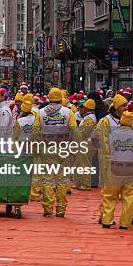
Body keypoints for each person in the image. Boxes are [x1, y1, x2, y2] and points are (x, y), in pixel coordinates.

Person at [32, 88, 77, 218]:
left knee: (47, 179)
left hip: (46, 149)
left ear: (49, 98)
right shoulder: (68, 112)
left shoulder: (40, 113)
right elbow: (75, 132)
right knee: (62, 180)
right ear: (61, 99)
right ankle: (61, 209)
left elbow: (35, 133)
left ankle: (47, 209)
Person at [100, 111, 133, 229]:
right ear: (132, 122)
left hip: (114, 167)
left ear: (120, 121)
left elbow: (107, 149)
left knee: (110, 196)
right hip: (132, 168)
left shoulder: (113, 134)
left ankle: (107, 221)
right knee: (129, 198)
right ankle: (125, 223)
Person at [74, 99, 97, 191]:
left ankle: (86, 184)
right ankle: (79, 183)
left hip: (87, 143)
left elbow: (84, 132)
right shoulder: (88, 117)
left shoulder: (89, 118)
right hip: (84, 142)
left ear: (87, 108)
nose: (80, 109)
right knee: (80, 163)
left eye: (83, 107)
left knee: (85, 164)